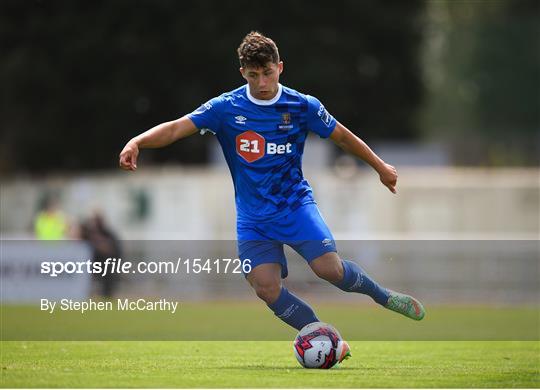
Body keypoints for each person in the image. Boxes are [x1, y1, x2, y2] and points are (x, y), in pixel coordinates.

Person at [119, 31, 425, 334]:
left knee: (329, 270)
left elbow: (342, 136)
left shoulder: (302, 106)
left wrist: (380, 166)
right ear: (243, 73)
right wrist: (137, 142)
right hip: (254, 218)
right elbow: (175, 129)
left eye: (268, 73)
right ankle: (320, 335)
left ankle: (383, 297)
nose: (262, 83)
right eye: (254, 75)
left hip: (294, 206)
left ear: (280, 67)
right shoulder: (225, 108)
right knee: (265, 288)